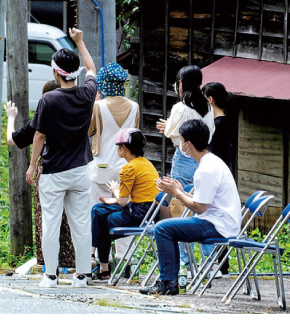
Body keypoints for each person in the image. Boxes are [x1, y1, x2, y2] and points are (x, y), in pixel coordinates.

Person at [26, 28, 97, 288]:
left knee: (51, 224)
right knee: (80, 223)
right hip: (81, 169)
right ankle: (81, 275)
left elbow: (39, 137)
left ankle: (51, 275)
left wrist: (33, 166)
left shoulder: (49, 99)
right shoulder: (87, 94)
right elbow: (91, 69)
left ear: (56, 72)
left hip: (54, 170)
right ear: (74, 72)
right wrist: (80, 41)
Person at [140, 119, 242, 296]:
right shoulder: (211, 161)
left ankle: (167, 282)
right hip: (220, 221)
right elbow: (203, 200)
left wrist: (176, 193)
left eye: (181, 140)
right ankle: (170, 280)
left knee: (162, 228)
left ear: (188, 145)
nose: (180, 144)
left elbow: (200, 207)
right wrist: (179, 190)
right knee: (167, 228)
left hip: (217, 225)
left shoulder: (205, 170)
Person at [5, 80, 77, 273]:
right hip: (75, 169)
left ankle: (49, 265)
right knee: (72, 217)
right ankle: (72, 263)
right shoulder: (77, 114)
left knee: (46, 218)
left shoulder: (42, 119)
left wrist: (11, 117)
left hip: (49, 170)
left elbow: (11, 139)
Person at [156, 65, 215, 266]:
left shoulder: (181, 107)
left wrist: (167, 129)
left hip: (183, 157)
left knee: (179, 206)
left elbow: (173, 132)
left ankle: (184, 261)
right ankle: (210, 260)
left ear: (182, 84)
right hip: (202, 157)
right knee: (203, 206)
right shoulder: (207, 106)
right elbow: (209, 131)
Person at [90, 128, 159, 280]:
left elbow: (122, 201)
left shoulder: (128, 168)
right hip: (148, 213)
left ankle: (96, 260)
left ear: (124, 148)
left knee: (100, 218)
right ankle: (100, 265)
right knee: (99, 210)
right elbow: (134, 197)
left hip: (136, 215)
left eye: (118, 147)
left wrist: (115, 190)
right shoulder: (147, 164)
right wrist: (113, 200)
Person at [88, 63, 140, 262]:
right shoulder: (134, 107)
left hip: (101, 166)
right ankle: (125, 258)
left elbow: (89, 131)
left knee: (98, 215)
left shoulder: (98, 106)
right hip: (126, 168)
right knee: (124, 210)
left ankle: (102, 261)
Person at [202, 82, 236, 173]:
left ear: (210, 100)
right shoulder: (226, 120)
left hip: (214, 171)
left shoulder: (217, 124)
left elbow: (208, 151)